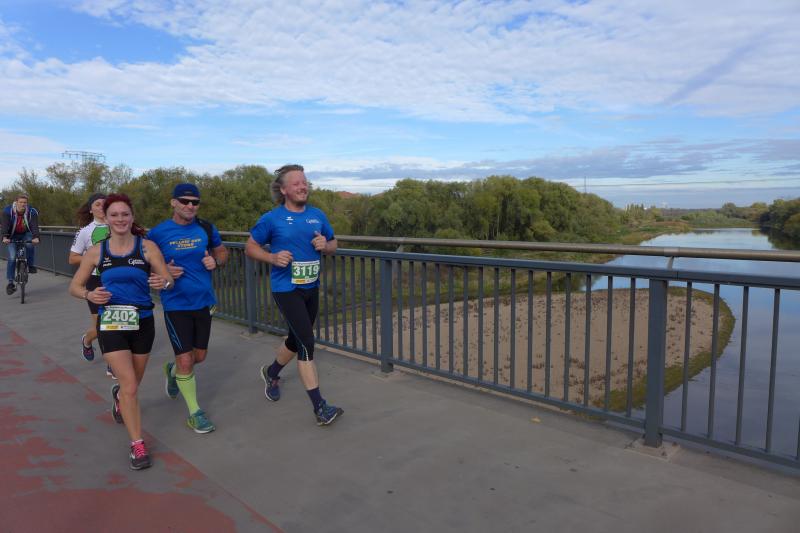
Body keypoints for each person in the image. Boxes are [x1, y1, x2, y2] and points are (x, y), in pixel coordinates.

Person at [69, 193, 173, 470]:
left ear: (132, 217)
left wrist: (163, 282)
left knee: (133, 384)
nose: (120, 219)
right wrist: (90, 295)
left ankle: (119, 397)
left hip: (143, 321)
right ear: (106, 218)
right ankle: (137, 444)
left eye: (125, 214)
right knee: (130, 386)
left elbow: (168, 279)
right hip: (111, 323)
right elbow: (75, 287)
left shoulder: (147, 248)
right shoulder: (97, 251)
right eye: (114, 215)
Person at [245, 164, 343, 426]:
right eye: (297, 183)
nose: (303, 186)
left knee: (295, 338)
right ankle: (320, 407)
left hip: (311, 287)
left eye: (305, 182)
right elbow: (250, 247)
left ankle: (271, 372)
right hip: (286, 289)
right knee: (306, 342)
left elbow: (334, 243)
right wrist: (271, 257)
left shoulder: (317, 215)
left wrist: (326, 245)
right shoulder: (272, 218)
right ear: (283, 189)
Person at [148, 183, 228, 434]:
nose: (190, 206)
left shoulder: (206, 228)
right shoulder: (157, 233)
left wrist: (215, 261)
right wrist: (163, 270)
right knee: (186, 359)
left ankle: (172, 371)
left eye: (195, 202)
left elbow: (222, 252)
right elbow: (143, 264)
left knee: (198, 357)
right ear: (173, 202)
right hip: (176, 303)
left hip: (204, 301)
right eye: (184, 201)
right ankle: (195, 413)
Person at [69, 193, 112, 371]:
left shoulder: (119, 225)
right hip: (96, 280)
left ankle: (113, 361)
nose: (102, 207)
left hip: (117, 279)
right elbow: (72, 258)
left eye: (105, 204)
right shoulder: (85, 231)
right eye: (97, 204)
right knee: (101, 324)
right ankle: (88, 340)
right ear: (91, 209)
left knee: (117, 322)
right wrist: (94, 258)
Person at [2, 193, 40, 295]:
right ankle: (10, 283)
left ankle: (31, 265)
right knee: (12, 256)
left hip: (25, 233)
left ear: (27, 203)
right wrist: (5, 237)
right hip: (12, 235)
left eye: (25, 202)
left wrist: (36, 237)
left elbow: (34, 226)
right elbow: (5, 225)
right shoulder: (8, 211)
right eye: (21, 202)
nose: (23, 204)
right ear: (16, 202)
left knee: (30, 244)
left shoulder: (31, 211)